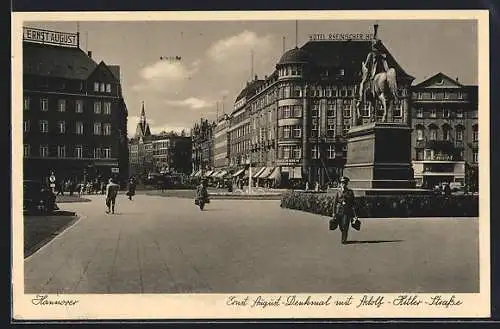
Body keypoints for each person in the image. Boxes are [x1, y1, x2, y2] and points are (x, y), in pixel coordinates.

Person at [333, 176, 356, 244]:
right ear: (340, 184)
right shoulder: (338, 192)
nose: (343, 184)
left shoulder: (350, 192)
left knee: (345, 225)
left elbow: (352, 203)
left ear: (346, 184)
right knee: (341, 226)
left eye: (344, 183)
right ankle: (343, 233)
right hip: (339, 211)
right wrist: (334, 212)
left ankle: (344, 239)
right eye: (342, 183)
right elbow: (335, 203)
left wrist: (355, 215)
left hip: (347, 211)